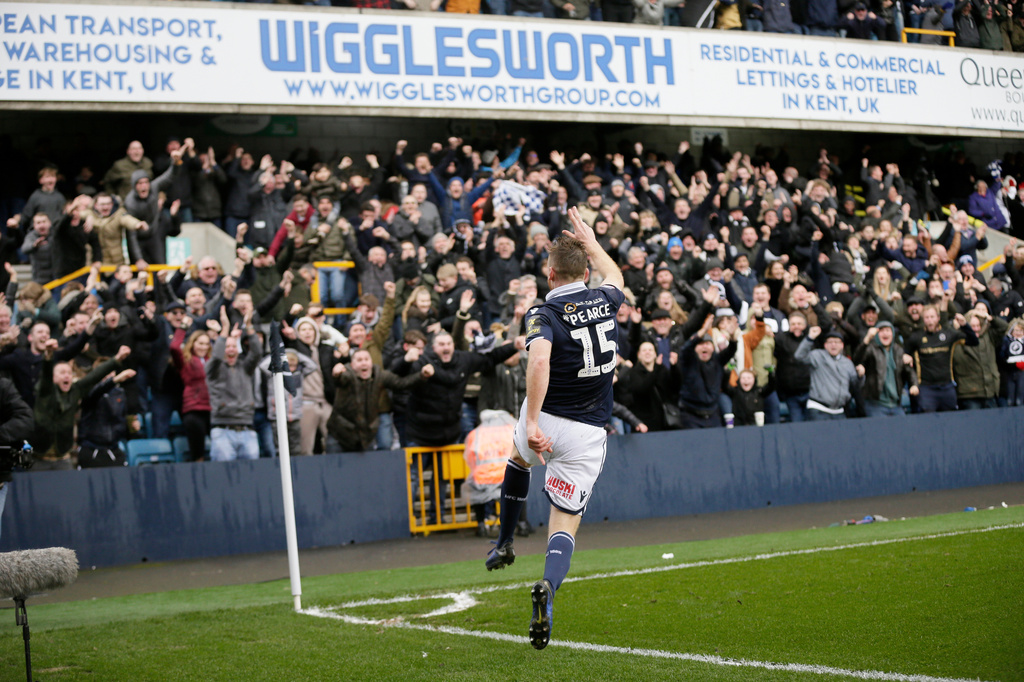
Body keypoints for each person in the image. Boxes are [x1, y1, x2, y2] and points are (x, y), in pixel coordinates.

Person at [484, 206, 625, 652]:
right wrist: (592, 242)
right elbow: (616, 274)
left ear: (549, 275)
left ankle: (505, 542)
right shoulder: (605, 298)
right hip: (588, 431)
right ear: (585, 269)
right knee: (565, 520)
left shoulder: (543, 311)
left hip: (546, 418)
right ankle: (547, 585)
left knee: (518, 458)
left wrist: (530, 423)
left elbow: (539, 359)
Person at [794, 327, 860, 420]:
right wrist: (810, 338)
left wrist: (861, 376)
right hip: (819, 409)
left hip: (839, 410)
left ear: (842, 345)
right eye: (830, 342)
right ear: (825, 345)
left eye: (836, 342)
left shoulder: (847, 362)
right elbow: (799, 356)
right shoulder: (818, 355)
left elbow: (856, 385)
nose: (833, 345)